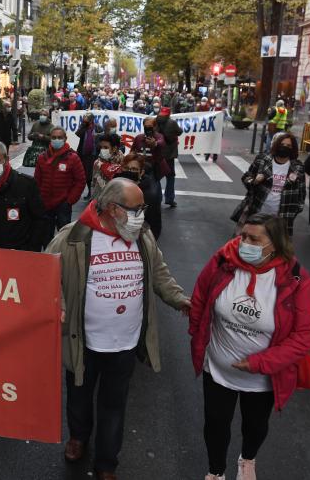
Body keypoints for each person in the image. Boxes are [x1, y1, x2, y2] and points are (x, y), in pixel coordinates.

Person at [46, 178, 190, 480]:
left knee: (114, 404)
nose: (142, 215)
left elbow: (159, 275)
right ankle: (79, 437)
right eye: (136, 209)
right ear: (112, 208)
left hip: (125, 342)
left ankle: (106, 463)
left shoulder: (142, 237)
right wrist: (55, 302)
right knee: (79, 396)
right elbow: (45, 276)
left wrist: (179, 300)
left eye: (143, 208)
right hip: (82, 340)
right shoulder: (73, 237)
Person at [189, 213, 310, 480]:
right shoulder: (223, 261)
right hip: (218, 369)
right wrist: (196, 334)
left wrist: (258, 363)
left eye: (253, 239)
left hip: (262, 378)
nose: (243, 243)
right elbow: (201, 297)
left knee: (256, 426)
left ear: (274, 244)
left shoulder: (296, 280)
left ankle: (247, 460)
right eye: (243, 236)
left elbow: (305, 335)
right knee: (215, 425)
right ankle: (215, 471)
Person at [0, 140, 44, 251]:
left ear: (6, 160)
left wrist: (31, 249)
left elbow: (39, 219)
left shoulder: (26, 184)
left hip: (18, 252)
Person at [235, 133, 305, 236]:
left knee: (274, 248)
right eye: (282, 144)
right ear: (276, 145)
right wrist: (254, 181)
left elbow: (301, 193)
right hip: (257, 212)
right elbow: (246, 177)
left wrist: (295, 210)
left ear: (293, 149)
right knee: (251, 242)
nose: (285, 147)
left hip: (281, 218)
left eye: (288, 146)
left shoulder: (297, 167)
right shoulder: (263, 160)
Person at [34, 126, 86, 248]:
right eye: (54, 137)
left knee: (64, 237)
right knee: (46, 238)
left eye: (59, 137)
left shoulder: (73, 158)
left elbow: (80, 181)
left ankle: (64, 260)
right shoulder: (42, 157)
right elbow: (37, 181)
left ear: (65, 139)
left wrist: (70, 200)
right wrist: (39, 199)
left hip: (63, 204)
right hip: (45, 204)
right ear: (50, 139)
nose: (56, 140)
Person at [116, 153, 162, 240]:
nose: (129, 172)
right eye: (126, 168)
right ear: (121, 169)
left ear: (141, 173)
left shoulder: (150, 196)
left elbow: (155, 227)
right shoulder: (115, 187)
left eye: (134, 169)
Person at [155, 107, 182, 207]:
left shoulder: (155, 122)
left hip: (159, 153)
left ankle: (157, 198)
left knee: (157, 177)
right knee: (170, 177)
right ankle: (169, 198)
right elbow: (179, 132)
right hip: (169, 154)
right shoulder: (172, 123)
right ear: (169, 114)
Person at [76, 113, 103, 200]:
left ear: (91, 119)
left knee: (93, 175)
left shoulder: (98, 127)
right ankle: (89, 192)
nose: (85, 120)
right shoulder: (83, 126)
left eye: (86, 118)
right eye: (84, 118)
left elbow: (102, 137)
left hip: (94, 155)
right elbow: (78, 134)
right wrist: (84, 125)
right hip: (84, 154)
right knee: (87, 176)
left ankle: (94, 193)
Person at [92, 133, 124, 200]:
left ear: (114, 148)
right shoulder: (98, 162)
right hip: (98, 199)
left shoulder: (123, 164)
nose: (102, 150)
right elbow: (94, 183)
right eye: (101, 147)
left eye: (106, 147)